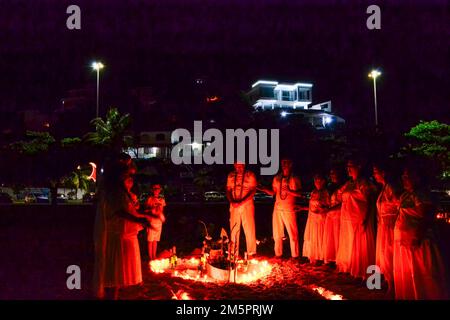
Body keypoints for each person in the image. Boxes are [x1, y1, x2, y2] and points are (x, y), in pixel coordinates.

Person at [93, 161, 151, 300]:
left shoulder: (123, 193)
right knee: (114, 275)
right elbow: (119, 212)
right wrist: (139, 220)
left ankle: (115, 295)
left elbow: (127, 210)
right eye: (127, 175)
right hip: (117, 236)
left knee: (118, 277)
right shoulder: (113, 192)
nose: (130, 179)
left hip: (124, 235)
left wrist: (143, 216)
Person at [393, 167, 448, 299]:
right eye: (403, 176)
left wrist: (417, 235)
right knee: (409, 272)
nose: (403, 179)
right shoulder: (406, 194)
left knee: (423, 273)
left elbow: (427, 216)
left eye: (407, 176)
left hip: (419, 242)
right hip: (404, 241)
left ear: (418, 178)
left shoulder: (422, 194)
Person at [336, 159, 376, 279]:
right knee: (348, 243)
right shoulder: (349, 183)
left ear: (359, 167)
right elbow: (339, 195)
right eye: (347, 166)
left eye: (351, 166)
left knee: (359, 244)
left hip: (358, 218)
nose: (348, 169)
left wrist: (365, 218)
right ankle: (348, 267)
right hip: (346, 217)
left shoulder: (364, 183)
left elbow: (369, 201)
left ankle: (362, 272)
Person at [259, 158, 302, 259]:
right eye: (283, 163)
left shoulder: (294, 178)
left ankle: (295, 256)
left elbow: (299, 194)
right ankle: (278, 254)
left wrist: (289, 191)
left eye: (287, 163)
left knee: (292, 233)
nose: (284, 165)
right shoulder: (277, 178)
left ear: (291, 165)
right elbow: (273, 192)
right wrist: (263, 189)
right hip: (277, 208)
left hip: (289, 208)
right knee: (277, 232)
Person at [373, 163, 400, 293]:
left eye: (376, 172)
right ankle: (388, 280)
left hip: (390, 224)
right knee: (384, 253)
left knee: (389, 252)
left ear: (383, 173)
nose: (374, 175)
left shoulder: (390, 187)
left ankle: (393, 283)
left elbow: (398, 203)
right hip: (383, 225)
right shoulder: (383, 188)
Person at [226, 161, 257, 258]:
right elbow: (228, 190)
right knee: (234, 228)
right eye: (237, 166)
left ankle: (251, 252)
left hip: (247, 205)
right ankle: (233, 254)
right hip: (234, 205)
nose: (239, 168)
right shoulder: (231, 176)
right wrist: (232, 201)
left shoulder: (250, 175)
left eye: (241, 166)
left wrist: (242, 201)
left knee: (249, 228)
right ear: (234, 166)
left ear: (244, 166)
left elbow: (253, 190)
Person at [303, 173, 330, 265]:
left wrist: (322, 208)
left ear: (323, 181)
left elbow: (327, 205)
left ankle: (323, 257)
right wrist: (302, 208)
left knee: (321, 236)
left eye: (319, 180)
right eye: (315, 180)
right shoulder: (313, 192)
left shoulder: (326, 192)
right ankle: (314, 256)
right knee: (313, 236)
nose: (317, 182)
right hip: (312, 218)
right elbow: (310, 206)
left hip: (321, 218)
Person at [323, 168, 344, 265]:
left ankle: (339, 259)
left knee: (337, 236)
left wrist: (330, 209)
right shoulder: (330, 187)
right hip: (330, 215)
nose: (332, 175)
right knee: (330, 236)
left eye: (334, 173)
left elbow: (343, 203)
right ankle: (331, 258)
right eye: (331, 173)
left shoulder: (343, 187)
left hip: (338, 214)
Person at [144, 184, 166, 261]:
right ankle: (150, 257)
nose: (156, 190)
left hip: (158, 222)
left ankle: (154, 256)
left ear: (160, 190)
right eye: (155, 189)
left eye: (158, 189)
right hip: (151, 221)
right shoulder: (150, 199)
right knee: (150, 241)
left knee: (155, 240)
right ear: (152, 190)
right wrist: (152, 209)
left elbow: (161, 210)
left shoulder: (162, 200)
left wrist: (159, 208)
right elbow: (146, 210)